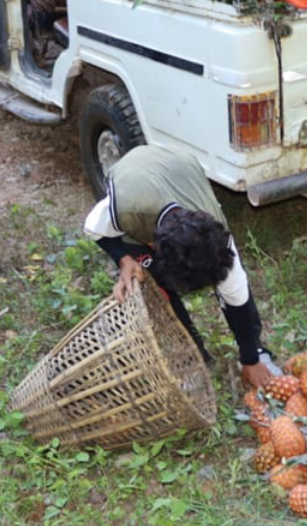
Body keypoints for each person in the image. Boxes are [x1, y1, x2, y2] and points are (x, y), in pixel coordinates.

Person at [83, 144, 280, 388]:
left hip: (177, 165)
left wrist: (251, 358)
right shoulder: (126, 210)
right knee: (155, 285)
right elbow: (93, 228)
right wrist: (124, 260)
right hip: (135, 171)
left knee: (235, 292)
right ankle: (193, 356)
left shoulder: (217, 234)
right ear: (151, 244)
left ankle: (257, 349)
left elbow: (237, 298)